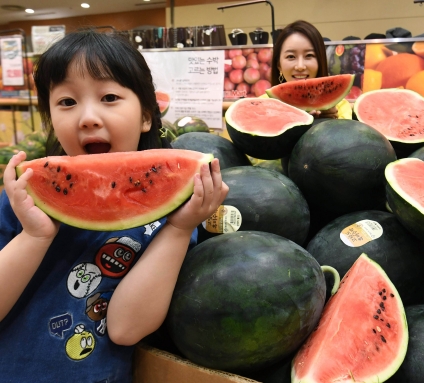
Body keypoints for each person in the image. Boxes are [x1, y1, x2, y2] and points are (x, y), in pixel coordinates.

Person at [0, 30, 228, 382]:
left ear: (146, 116)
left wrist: (181, 229)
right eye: (66, 102)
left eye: (109, 96)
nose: (88, 117)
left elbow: (125, 328)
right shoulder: (23, 200)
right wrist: (33, 236)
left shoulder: (170, 220)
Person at [269, 20, 352, 119]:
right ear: (279, 65)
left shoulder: (341, 107)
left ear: (320, 61)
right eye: (291, 56)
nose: (300, 66)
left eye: (309, 55)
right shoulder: (262, 105)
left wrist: (331, 125)